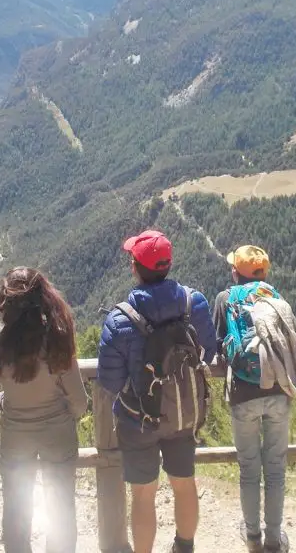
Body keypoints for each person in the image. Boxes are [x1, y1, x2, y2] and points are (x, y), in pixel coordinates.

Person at [97, 229, 217, 553]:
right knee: (184, 483)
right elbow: (209, 350)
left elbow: (109, 382)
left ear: (136, 267)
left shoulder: (120, 319)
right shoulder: (195, 304)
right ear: (168, 264)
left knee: (143, 494)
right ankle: (185, 546)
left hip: (139, 419)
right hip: (183, 412)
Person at [0, 267, 88, 553]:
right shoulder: (57, 339)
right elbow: (79, 400)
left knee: (16, 509)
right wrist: (65, 415)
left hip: (15, 436)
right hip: (57, 434)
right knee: (61, 507)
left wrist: (5, 402)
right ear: (43, 298)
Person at [213, 245, 296, 553]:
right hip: (279, 389)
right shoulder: (276, 297)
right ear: (263, 272)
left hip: (244, 392)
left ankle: (252, 536)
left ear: (236, 272)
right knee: (275, 467)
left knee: (249, 468)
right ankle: (274, 538)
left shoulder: (226, 298)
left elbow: (217, 345)